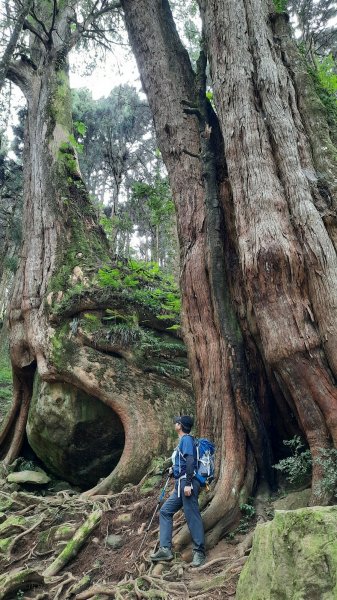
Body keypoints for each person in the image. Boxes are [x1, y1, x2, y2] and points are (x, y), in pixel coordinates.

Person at [150, 415, 206, 567]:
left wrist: (188, 483)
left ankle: (199, 553)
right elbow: (182, 461)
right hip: (180, 485)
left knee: (192, 516)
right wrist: (173, 469)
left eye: (176, 422)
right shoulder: (183, 441)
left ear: (180, 425)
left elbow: (190, 461)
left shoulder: (187, 439)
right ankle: (165, 549)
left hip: (187, 484)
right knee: (165, 511)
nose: (174, 423)